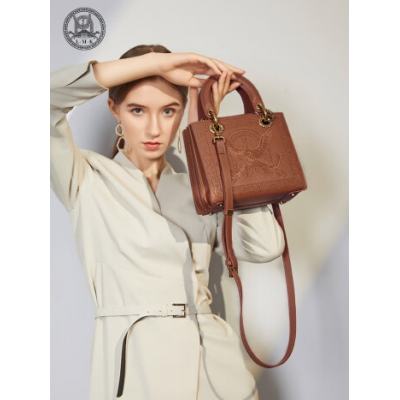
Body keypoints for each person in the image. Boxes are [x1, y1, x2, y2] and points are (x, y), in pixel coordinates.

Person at [50, 44, 285, 400]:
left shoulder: (201, 189)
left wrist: (214, 144)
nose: (154, 128)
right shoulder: (87, 179)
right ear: (114, 109)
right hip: (137, 366)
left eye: (168, 110)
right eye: (138, 110)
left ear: (182, 113)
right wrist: (156, 64)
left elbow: (264, 247)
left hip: (214, 366)